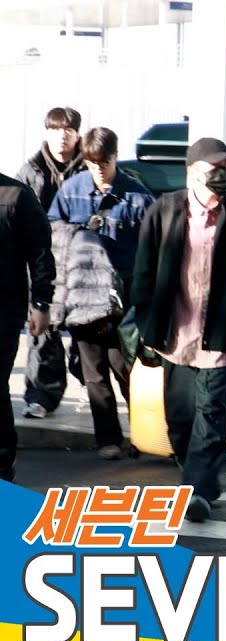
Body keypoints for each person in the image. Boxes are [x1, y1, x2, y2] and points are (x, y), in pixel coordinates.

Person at [133, 138, 226, 523]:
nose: (223, 173)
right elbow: (143, 275)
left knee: (212, 418)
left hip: (220, 340)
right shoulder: (164, 211)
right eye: (215, 167)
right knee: (179, 419)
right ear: (192, 171)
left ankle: (196, 491)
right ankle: (196, 476)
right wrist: (146, 327)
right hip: (174, 337)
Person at [48, 127, 155, 460]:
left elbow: (153, 248)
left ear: (115, 157)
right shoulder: (71, 190)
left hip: (123, 301)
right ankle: (108, 439)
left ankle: (143, 435)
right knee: (94, 373)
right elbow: (51, 234)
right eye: (91, 163)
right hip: (82, 298)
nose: (98, 170)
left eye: (104, 163)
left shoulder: (137, 197)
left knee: (127, 370)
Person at [16, 107, 84, 420]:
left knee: (89, 337)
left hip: (84, 265)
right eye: (56, 129)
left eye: (68, 129)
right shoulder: (30, 171)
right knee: (43, 333)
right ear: (46, 133)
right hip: (45, 263)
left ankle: (92, 392)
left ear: (78, 134)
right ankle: (40, 395)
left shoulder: (89, 167)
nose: (62, 136)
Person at [0, 173, 54, 482]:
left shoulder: (17, 196)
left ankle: (3, 465)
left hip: (4, 311)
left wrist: (42, 303)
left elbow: (40, 252)